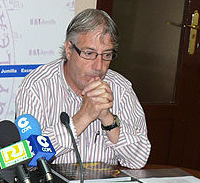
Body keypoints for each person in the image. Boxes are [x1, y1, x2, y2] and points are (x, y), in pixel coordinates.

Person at [14, 9, 150, 169]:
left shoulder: (121, 88)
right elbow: (29, 159)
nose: (99, 66)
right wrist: (83, 117)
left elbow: (138, 160)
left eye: (106, 55)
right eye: (89, 53)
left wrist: (108, 120)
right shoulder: (37, 86)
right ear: (69, 50)